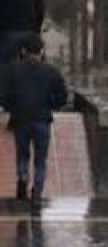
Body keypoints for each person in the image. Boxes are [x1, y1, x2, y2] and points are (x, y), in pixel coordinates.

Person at [3, 34, 67, 207]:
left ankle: (22, 180)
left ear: (23, 51)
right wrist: (51, 105)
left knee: (22, 155)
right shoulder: (51, 71)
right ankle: (37, 192)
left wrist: (12, 108)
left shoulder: (13, 70)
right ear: (41, 51)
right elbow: (62, 96)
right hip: (42, 120)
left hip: (21, 119)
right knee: (40, 159)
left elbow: (5, 95)